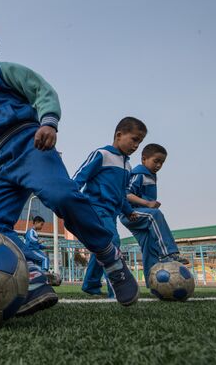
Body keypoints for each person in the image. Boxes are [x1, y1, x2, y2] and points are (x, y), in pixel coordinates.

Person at [0, 15, 139, 315]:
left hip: (31, 143)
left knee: (62, 197)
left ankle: (108, 255)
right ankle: (32, 276)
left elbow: (42, 91)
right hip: (3, 161)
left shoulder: (6, 72)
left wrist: (48, 122)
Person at [73, 117, 146, 298]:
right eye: (134, 139)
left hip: (111, 213)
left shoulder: (128, 166)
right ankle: (116, 289)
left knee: (101, 248)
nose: (136, 145)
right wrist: (70, 195)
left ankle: (90, 284)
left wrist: (129, 211)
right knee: (112, 243)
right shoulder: (102, 154)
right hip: (95, 208)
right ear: (119, 135)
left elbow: (121, 194)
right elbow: (80, 176)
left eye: (140, 142)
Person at [119, 143, 188, 286]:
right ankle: (170, 254)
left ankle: (153, 283)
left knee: (150, 247)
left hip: (140, 216)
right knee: (154, 215)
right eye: (156, 161)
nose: (159, 165)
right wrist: (147, 203)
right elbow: (125, 194)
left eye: (162, 162)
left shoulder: (151, 175)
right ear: (144, 159)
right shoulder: (139, 174)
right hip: (130, 213)